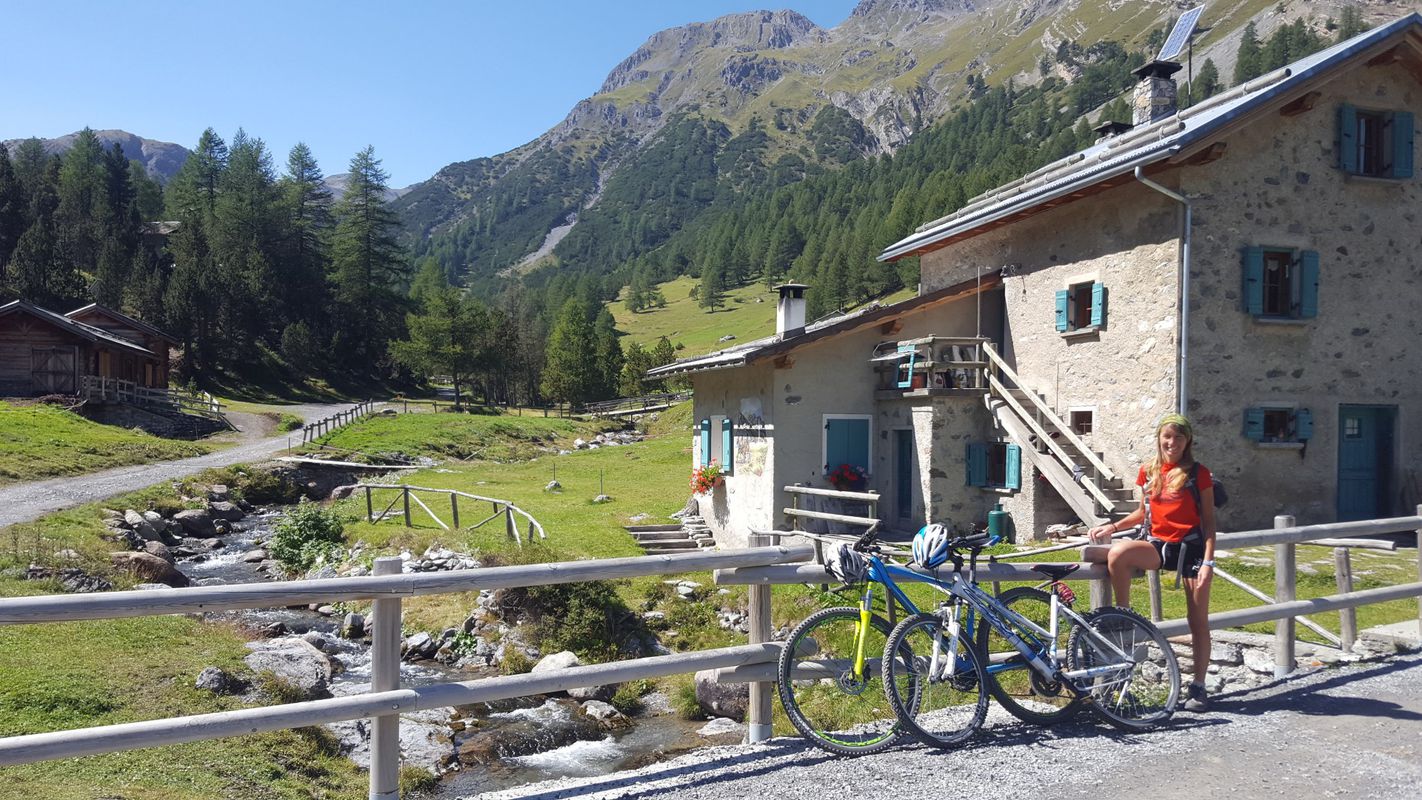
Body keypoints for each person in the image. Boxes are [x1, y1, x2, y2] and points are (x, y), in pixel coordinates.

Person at [1088, 413, 1216, 712]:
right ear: (1159, 439)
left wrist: (1208, 564)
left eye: (1179, 437)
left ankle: (1198, 687)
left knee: (1197, 621)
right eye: (1167, 437)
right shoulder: (1148, 472)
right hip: (1159, 545)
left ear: (1188, 442)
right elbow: (1142, 514)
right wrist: (1113, 527)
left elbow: (1209, 524)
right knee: (1118, 554)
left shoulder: (1199, 474)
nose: (1172, 443)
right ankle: (1124, 615)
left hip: (1192, 550)